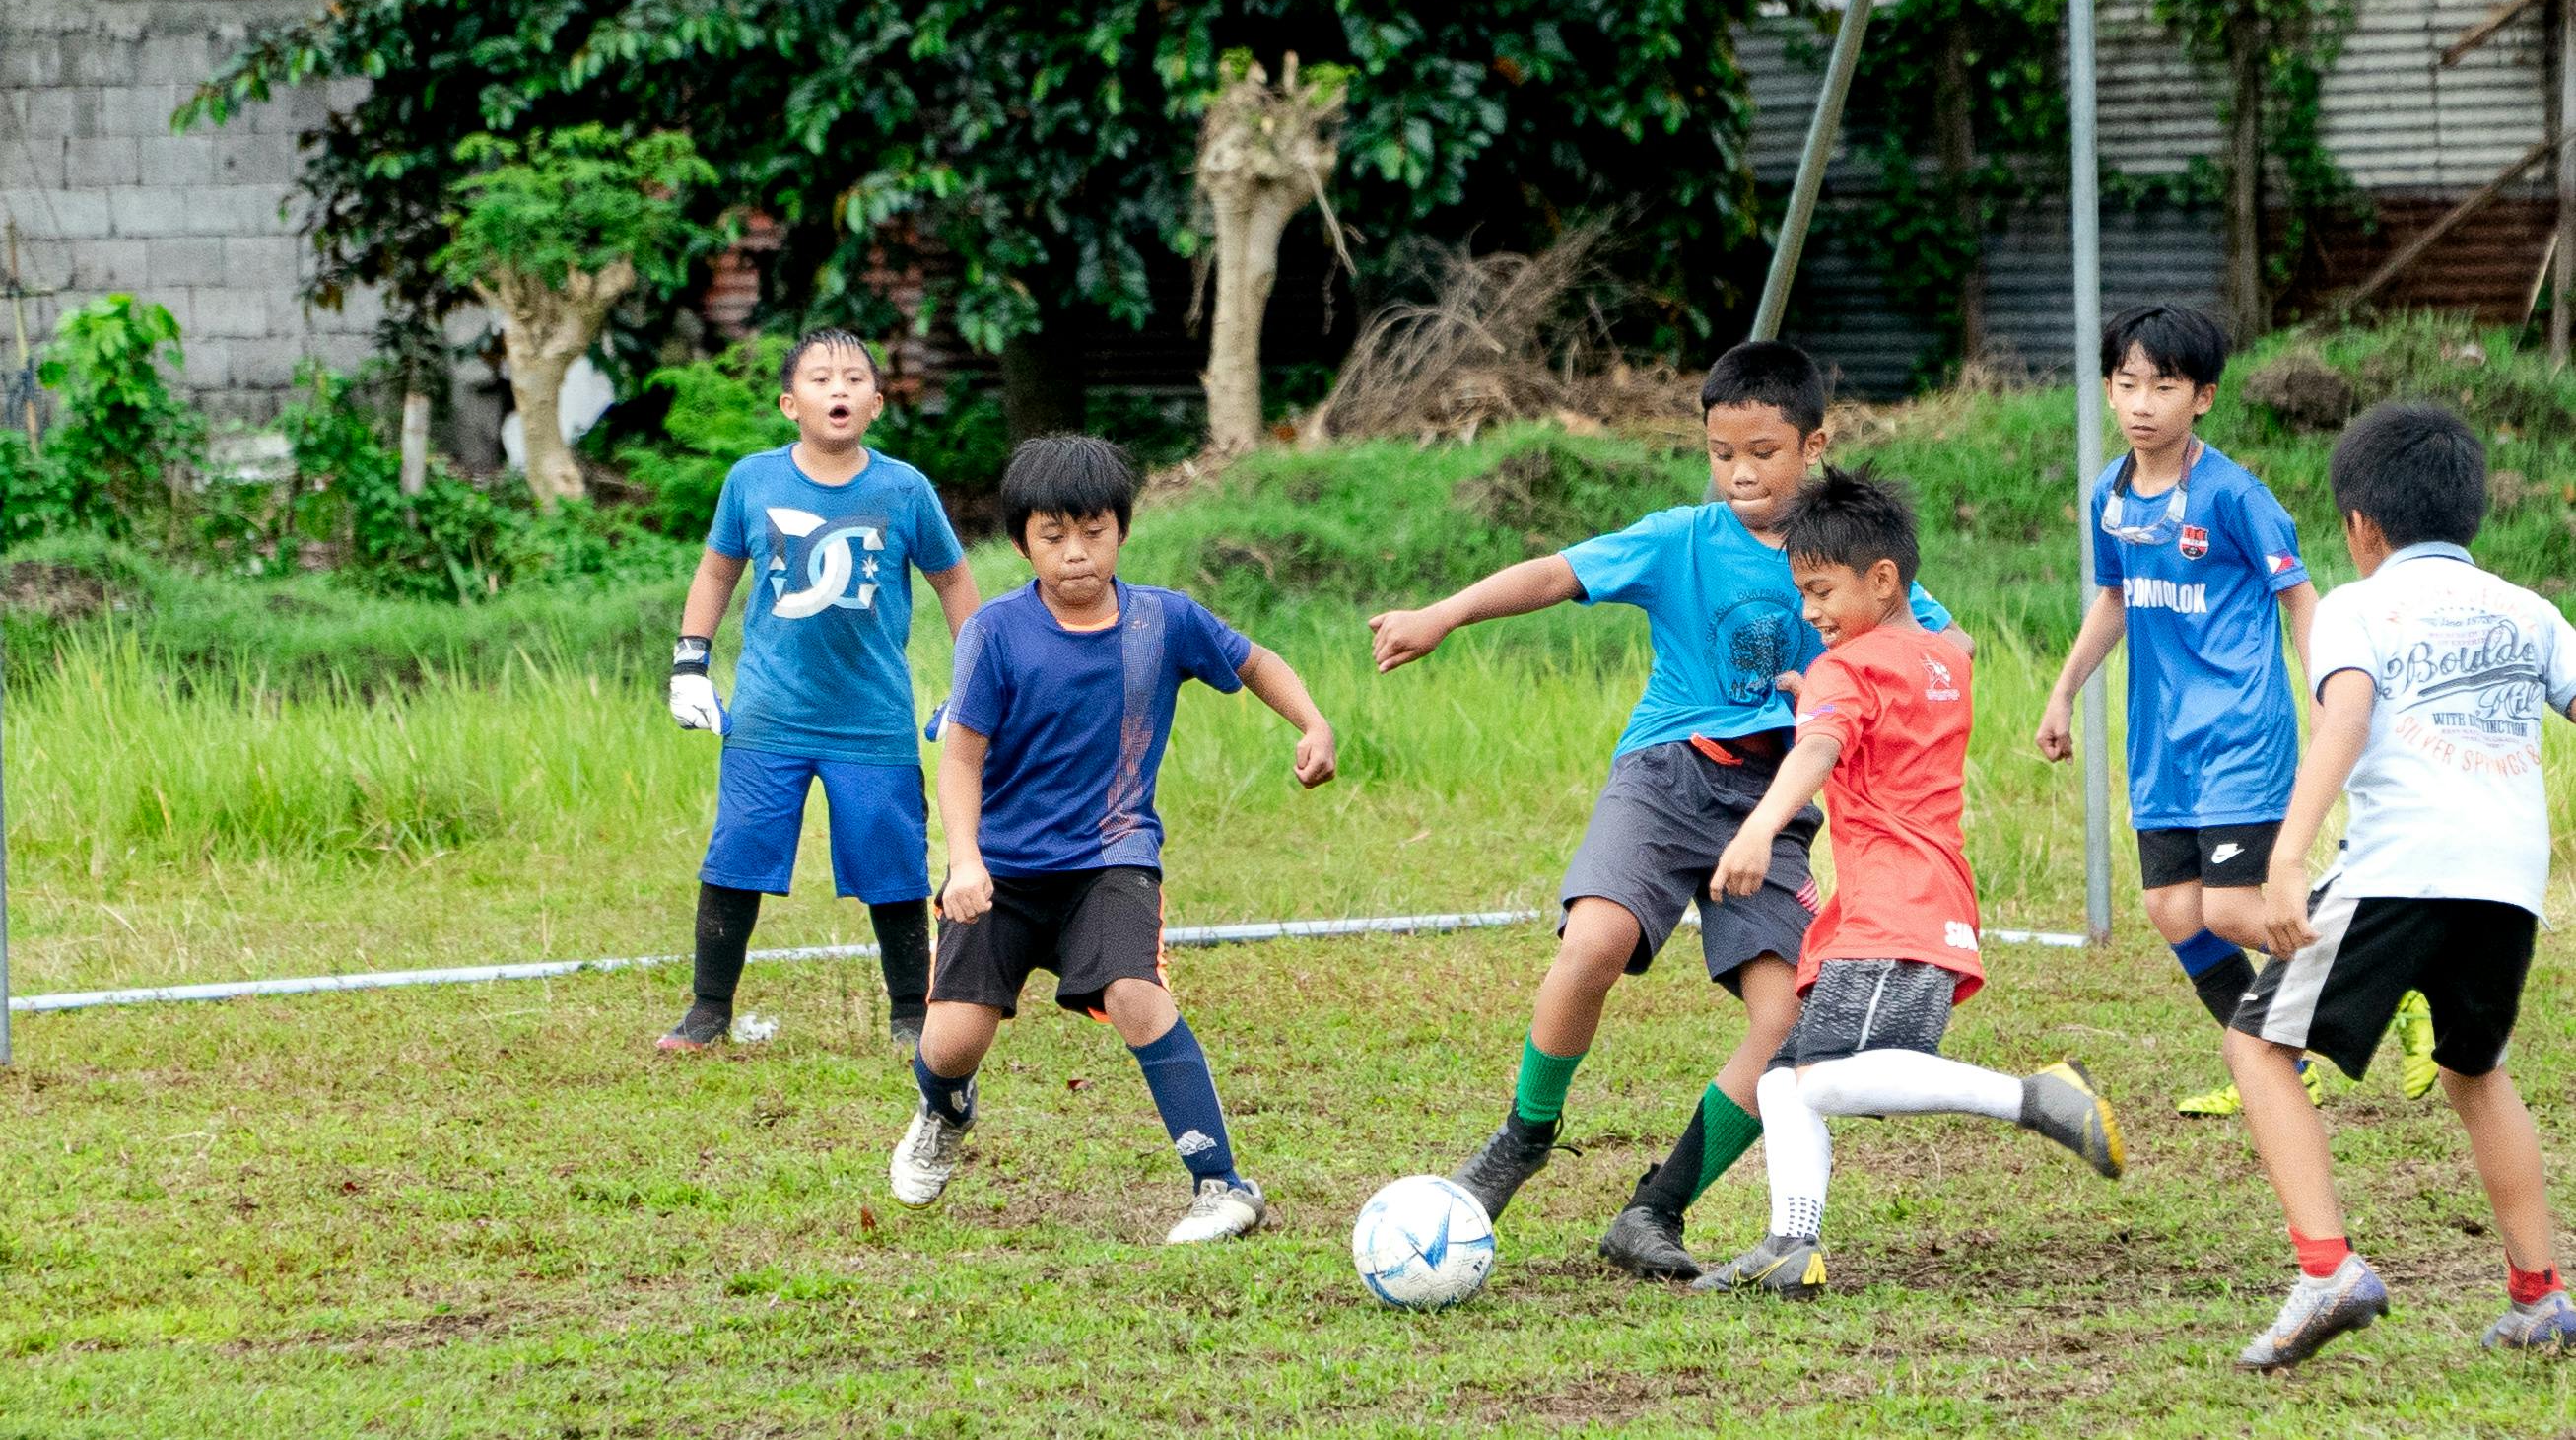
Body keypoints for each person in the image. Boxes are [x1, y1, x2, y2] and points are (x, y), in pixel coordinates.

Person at [1370, 341, 1975, 1282]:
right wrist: (1442, 614)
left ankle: (1656, 1208)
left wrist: (1848, 680)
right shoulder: (1679, 539)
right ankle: (1522, 1136)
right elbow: (1555, 573)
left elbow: (1947, 642)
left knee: (1786, 1021)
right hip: (1666, 775)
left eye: (1763, 452)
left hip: (1774, 800)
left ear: (1814, 445)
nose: (1741, 474)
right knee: (1594, 942)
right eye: (1722, 453)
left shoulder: (1847, 560)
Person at [889, 435, 1337, 1244]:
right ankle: (945, 1107)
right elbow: (960, 757)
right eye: (1053, 535)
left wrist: (1312, 722)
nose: (1076, 553)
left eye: (1093, 531)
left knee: (1136, 992)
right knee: (951, 1042)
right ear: (1021, 541)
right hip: (999, 870)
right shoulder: (992, 632)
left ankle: (1222, 1184)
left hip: (1111, 857)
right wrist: (965, 859)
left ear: (1121, 530)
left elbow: (1255, 659)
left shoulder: (1164, 620)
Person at [1691, 465, 2124, 1301]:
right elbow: (1932, 666)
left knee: (1827, 1078)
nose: (1809, 612)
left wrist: (1759, 825)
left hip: (1894, 910)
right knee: (1782, 1079)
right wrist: (1818, 692)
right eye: (1802, 593)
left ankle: (2034, 1097)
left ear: (1883, 579)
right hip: (1924, 904)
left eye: (1821, 591)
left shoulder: (1843, 673)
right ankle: (1792, 1243)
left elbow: (1823, 746)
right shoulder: (1940, 657)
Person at [2225, 403, 2576, 1368]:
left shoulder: (2354, 605)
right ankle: (2540, 1295)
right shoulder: (2530, 610)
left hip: (2399, 866)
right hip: (2507, 879)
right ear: (2471, 513)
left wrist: (2287, 856)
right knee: (2475, 1066)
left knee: (2257, 1043)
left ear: (2361, 526)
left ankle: (2326, 1268)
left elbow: (2343, 719)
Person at [2034, 304, 2433, 1116]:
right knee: (2172, 909)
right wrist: (2064, 690)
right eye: (2127, 384)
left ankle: (2396, 973)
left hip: (2239, 732)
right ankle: (2286, 1061)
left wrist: (2326, 694)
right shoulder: (2110, 494)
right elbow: (2115, 596)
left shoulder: (2235, 495)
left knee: (2227, 905)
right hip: (2160, 741)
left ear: (2203, 396)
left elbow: (2300, 595)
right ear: (2108, 389)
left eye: (2164, 386)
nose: (2142, 404)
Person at [659, 329, 980, 1054]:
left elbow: (955, 581)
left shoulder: (904, 489)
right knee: (737, 854)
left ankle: (911, 1014)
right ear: (789, 403)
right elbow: (716, 573)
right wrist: (690, 665)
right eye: (820, 378)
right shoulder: (752, 480)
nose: (839, 389)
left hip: (873, 721)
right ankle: (708, 1012)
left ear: (876, 403)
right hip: (768, 716)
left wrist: (972, 681)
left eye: (855, 379)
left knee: (894, 865)